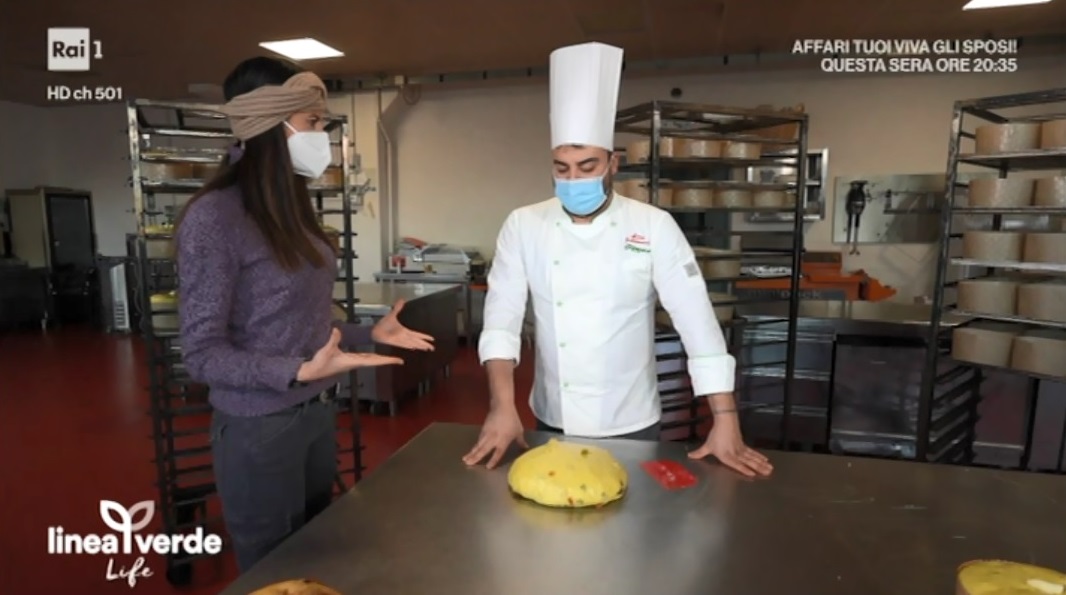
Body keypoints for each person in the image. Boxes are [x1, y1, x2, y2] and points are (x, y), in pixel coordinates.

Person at [462, 42, 772, 478]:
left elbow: (696, 320)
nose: (573, 179)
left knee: (632, 511)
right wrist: (501, 405)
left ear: (613, 163)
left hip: (632, 418)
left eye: (587, 166)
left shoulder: (653, 225)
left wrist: (725, 418)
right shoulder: (524, 223)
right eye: (562, 168)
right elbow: (502, 319)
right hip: (554, 412)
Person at [175, 56, 435, 572]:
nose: (322, 135)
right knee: (273, 569)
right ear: (271, 123)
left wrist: (368, 332)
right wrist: (295, 370)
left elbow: (291, 321)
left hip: (315, 413)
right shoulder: (215, 218)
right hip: (259, 426)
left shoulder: (289, 205)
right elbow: (201, 354)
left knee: (317, 553)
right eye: (313, 122)